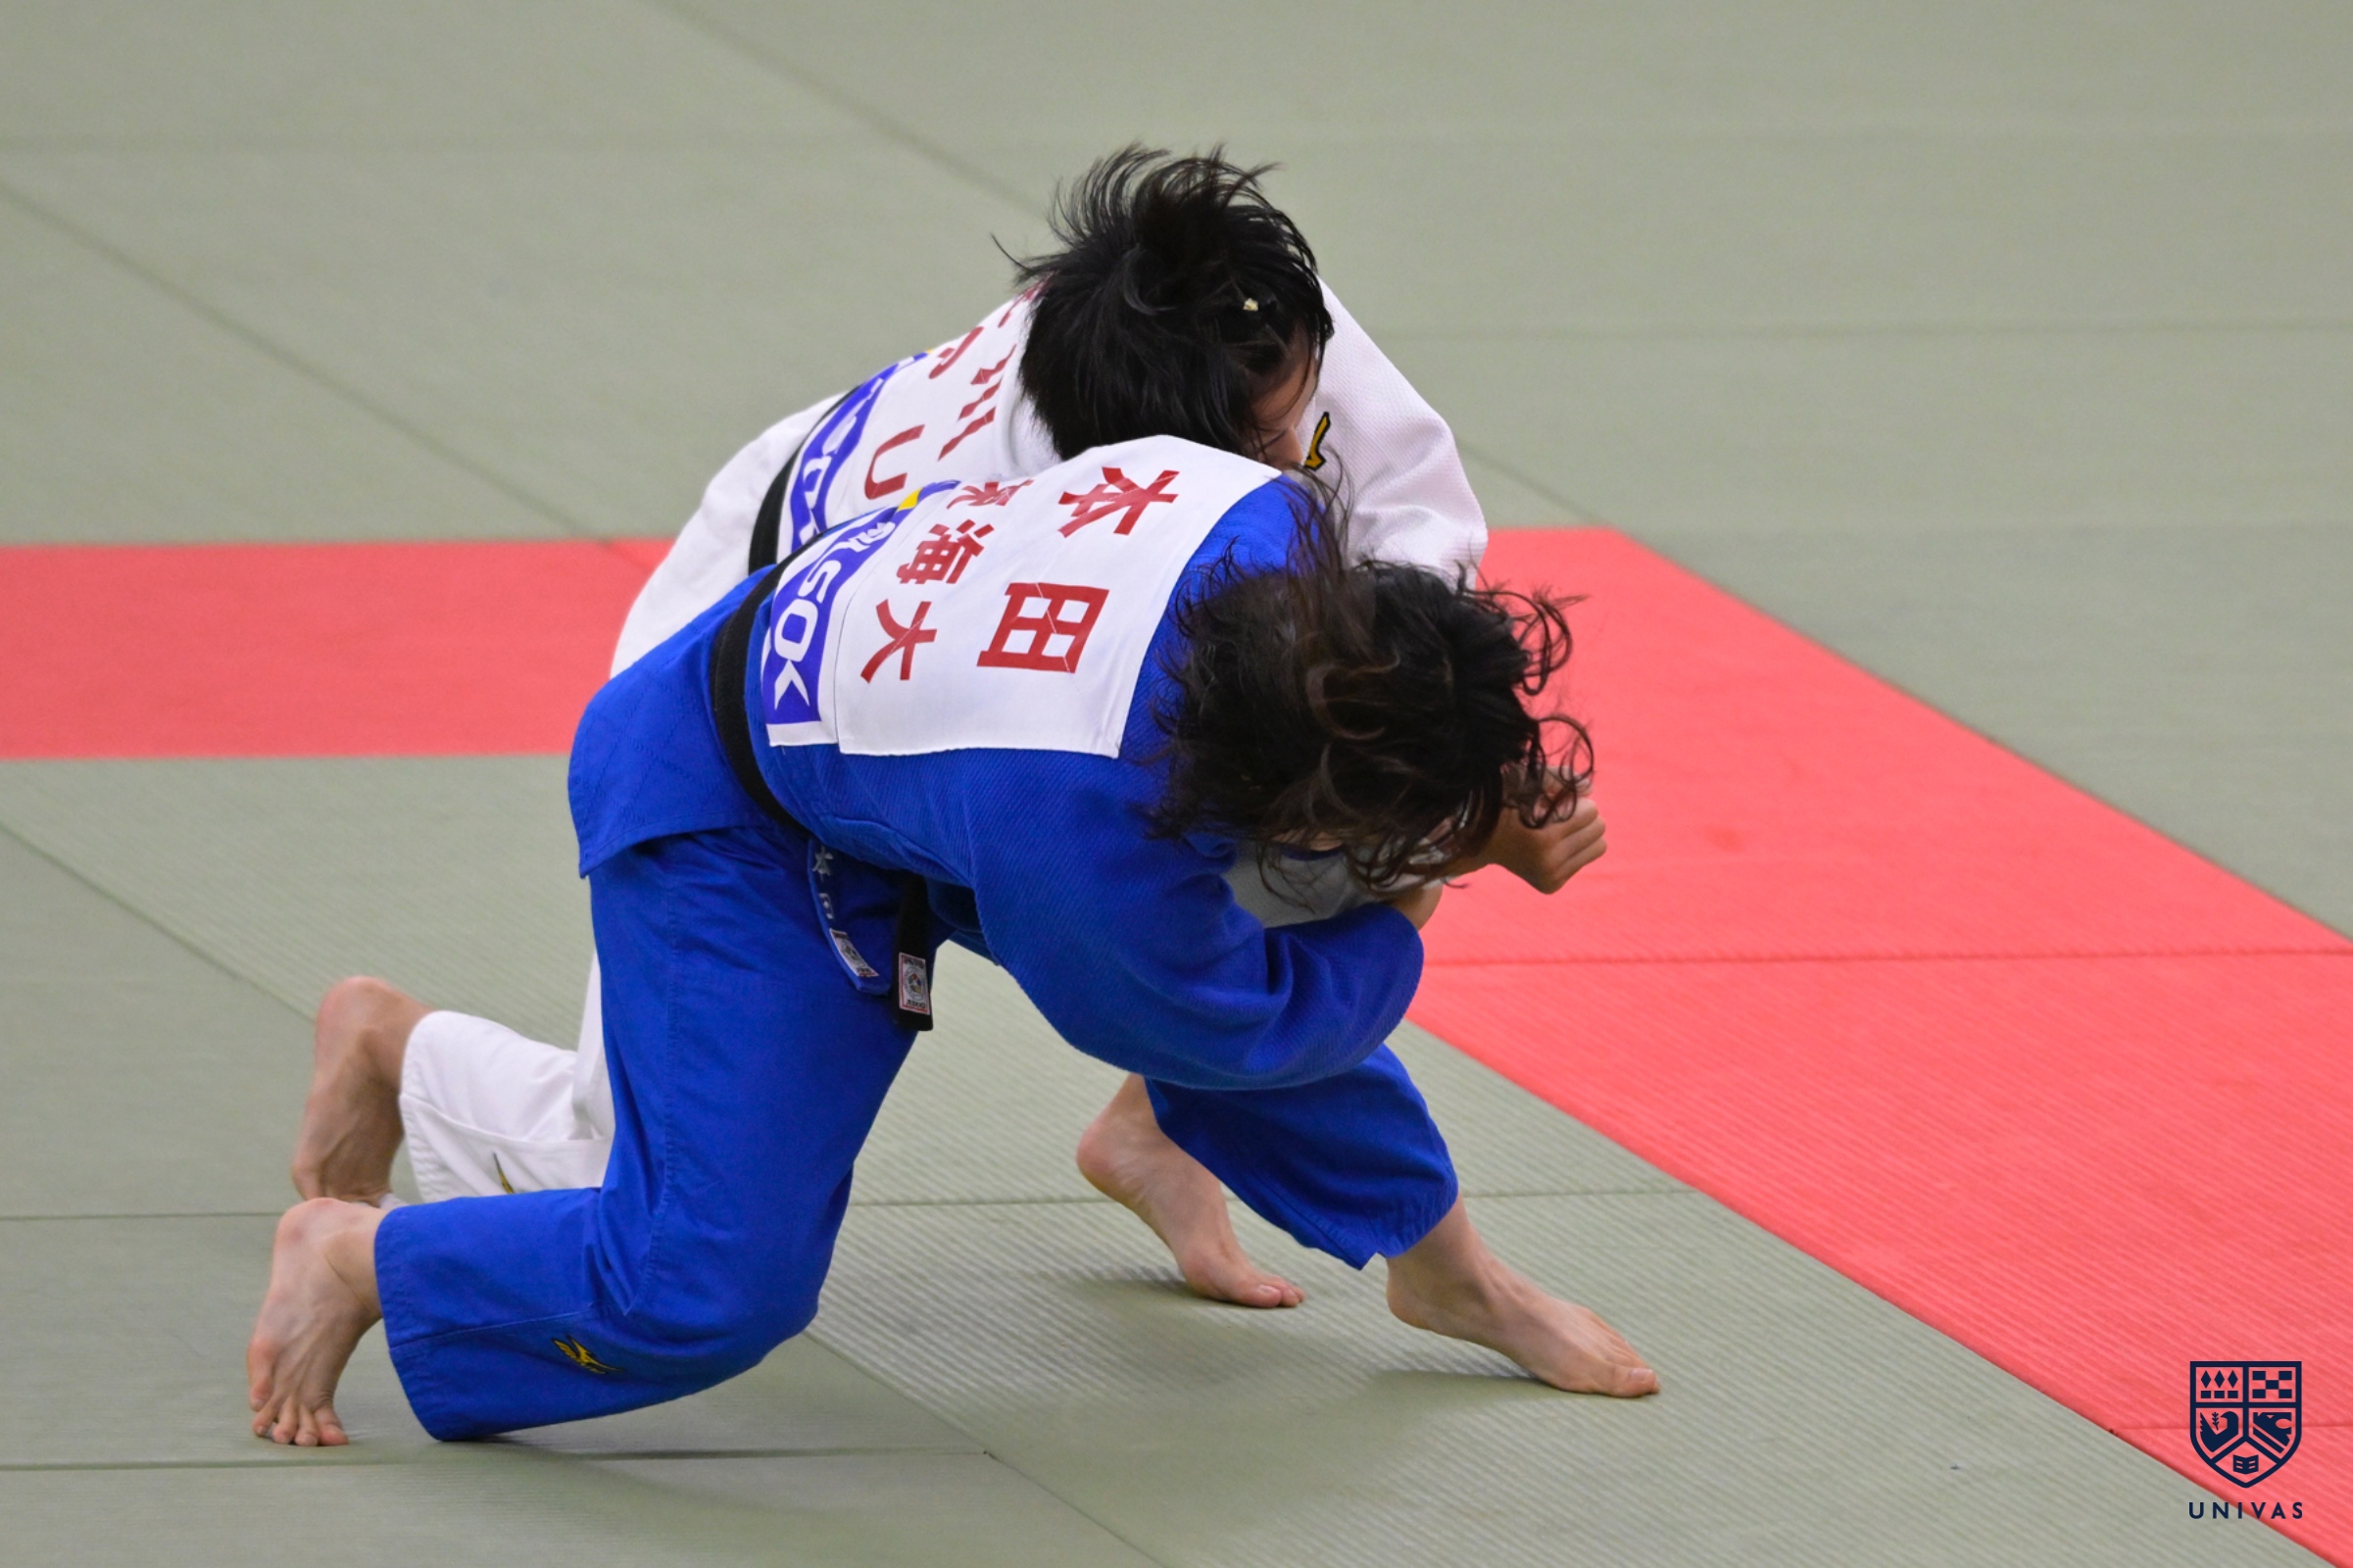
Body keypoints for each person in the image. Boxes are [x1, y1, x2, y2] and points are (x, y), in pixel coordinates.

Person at [291, 148, 1589, 1311]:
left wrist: (1461, 760)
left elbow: (1406, 523)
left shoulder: (1222, 313)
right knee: (629, 1174)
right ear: (1163, 458)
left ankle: (1164, 1135)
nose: (1311, 438)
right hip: (739, 654)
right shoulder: (1068, 531)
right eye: (1278, 437)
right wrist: (1436, 840)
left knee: (1321, 812)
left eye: (1307, 398)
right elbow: (1149, 943)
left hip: (894, 631)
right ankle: (401, 1049)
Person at [249, 426, 1658, 1447]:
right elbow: (1247, 1024)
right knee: (707, 1281)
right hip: (724, 807)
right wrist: (1424, 888)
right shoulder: (1092, 855)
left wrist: (1455, 799)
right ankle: (362, 1256)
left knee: (1251, 922)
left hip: (899, 731)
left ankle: (1443, 1268)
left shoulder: (1269, 517)